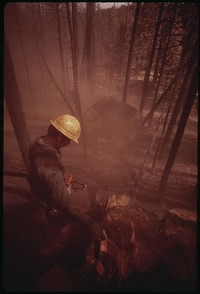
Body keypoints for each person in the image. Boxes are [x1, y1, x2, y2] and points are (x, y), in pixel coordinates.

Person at [28, 114, 100, 241]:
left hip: (45, 190)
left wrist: (60, 179)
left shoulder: (38, 142)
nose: (68, 144)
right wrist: (90, 223)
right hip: (48, 206)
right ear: (60, 137)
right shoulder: (48, 164)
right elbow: (64, 204)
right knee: (62, 239)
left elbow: (46, 175)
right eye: (69, 140)